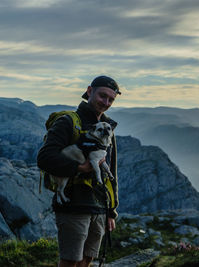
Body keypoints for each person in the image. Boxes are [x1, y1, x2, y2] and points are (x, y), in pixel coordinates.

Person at [37, 75, 121, 267]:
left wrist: (111, 211)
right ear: (89, 91)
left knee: (87, 259)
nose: (106, 102)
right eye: (102, 96)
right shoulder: (68, 122)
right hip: (73, 205)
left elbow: (111, 171)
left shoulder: (108, 128)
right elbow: (45, 158)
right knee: (70, 261)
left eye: (111, 99)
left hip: (99, 205)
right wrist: (80, 168)